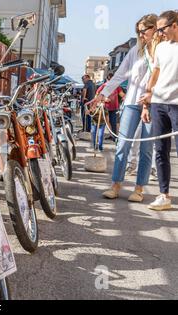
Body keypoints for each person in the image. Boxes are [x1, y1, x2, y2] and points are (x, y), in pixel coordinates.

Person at [88, 14, 160, 203]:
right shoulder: (135, 50)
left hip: (152, 104)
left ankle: (139, 188)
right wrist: (103, 93)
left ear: (154, 28)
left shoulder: (162, 50)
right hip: (131, 103)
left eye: (144, 30)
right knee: (122, 144)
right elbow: (120, 75)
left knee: (146, 148)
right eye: (139, 31)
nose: (141, 34)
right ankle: (116, 185)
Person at [139, 10, 178, 211]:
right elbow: (155, 73)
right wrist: (147, 102)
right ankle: (164, 196)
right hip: (158, 104)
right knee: (160, 151)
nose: (160, 33)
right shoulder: (162, 47)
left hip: (177, 105)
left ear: (175, 25)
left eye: (162, 29)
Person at [96, 73, 126, 138]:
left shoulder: (116, 86)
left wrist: (125, 98)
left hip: (115, 108)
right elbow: (97, 95)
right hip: (105, 108)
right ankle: (112, 135)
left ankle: (114, 137)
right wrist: (104, 99)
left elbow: (122, 95)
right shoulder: (103, 86)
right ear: (107, 79)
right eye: (109, 80)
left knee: (114, 122)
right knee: (107, 122)